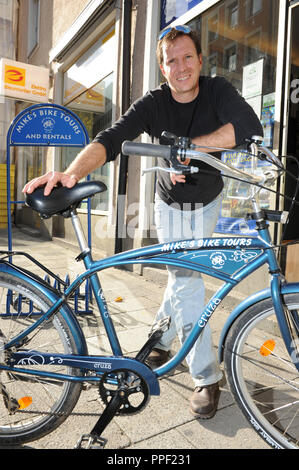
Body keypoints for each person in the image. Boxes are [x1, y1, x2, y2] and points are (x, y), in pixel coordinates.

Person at [23, 25, 263, 419]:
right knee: (187, 280)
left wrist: (188, 149)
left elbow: (246, 127)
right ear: (162, 69)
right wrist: (72, 173)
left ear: (200, 61)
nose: (181, 67)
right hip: (168, 202)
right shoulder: (153, 103)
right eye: (171, 61)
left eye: (188, 57)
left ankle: (162, 337)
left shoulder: (218, 90)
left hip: (207, 200)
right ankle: (206, 376)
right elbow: (112, 137)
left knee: (181, 275)